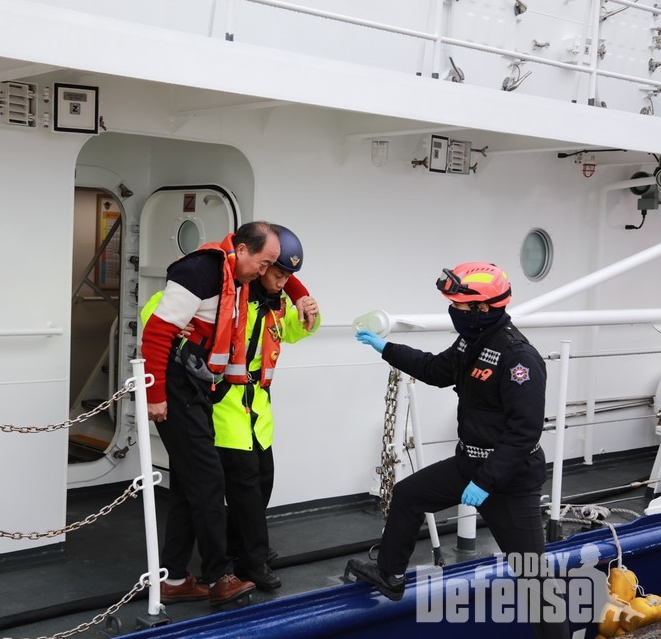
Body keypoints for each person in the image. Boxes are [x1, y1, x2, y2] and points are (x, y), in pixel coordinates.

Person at [345, 262, 568, 639]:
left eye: (459, 306)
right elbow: (435, 369)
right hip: (471, 463)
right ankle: (390, 574)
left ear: (483, 309)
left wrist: (486, 482)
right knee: (408, 495)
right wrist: (387, 348)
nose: (453, 311)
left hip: (509, 480)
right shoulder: (472, 341)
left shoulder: (519, 358)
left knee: (534, 576)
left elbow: (524, 433)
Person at [141, 221, 281, 606]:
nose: (265, 272)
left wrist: (300, 296)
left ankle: (171, 578)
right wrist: (155, 395)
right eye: (263, 263)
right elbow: (156, 333)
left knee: (189, 487)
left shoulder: (237, 275)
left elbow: (284, 276)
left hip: (197, 386)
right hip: (174, 385)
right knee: (208, 480)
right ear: (242, 250)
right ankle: (220, 576)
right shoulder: (200, 272)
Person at [213, 226, 320, 591]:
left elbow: (289, 332)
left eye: (289, 278)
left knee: (263, 480)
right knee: (244, 487)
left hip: (258, 405)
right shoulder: (223, 291)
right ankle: (253, 562)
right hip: (225, 404)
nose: (283, 283)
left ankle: (237, 551)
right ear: (261, 267)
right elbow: (158, 311)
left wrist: (308, 311)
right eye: (278, 275)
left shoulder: (274, 301)